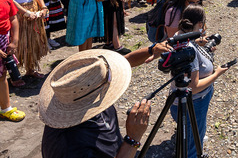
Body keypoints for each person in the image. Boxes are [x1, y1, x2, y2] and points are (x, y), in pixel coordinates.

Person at [39, 42, 171, 158]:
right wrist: (133, 139)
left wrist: (152, 49)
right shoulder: (72, 148)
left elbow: (124, 61)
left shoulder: (77, 94)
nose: (110, 80)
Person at [169, 5, 230, 157]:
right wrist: (216, 74)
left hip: (178, 100)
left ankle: (192, 138)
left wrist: (199, 42)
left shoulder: (179, 36)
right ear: (201, 25)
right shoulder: (189, 49)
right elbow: (194, 87)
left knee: (191, 132)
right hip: (194, 104)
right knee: (192, 148)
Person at [0, 0, 25, 121]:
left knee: (2, 74)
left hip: (4, 39)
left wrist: (14, 40)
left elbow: (13, 18)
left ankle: (5, 108)